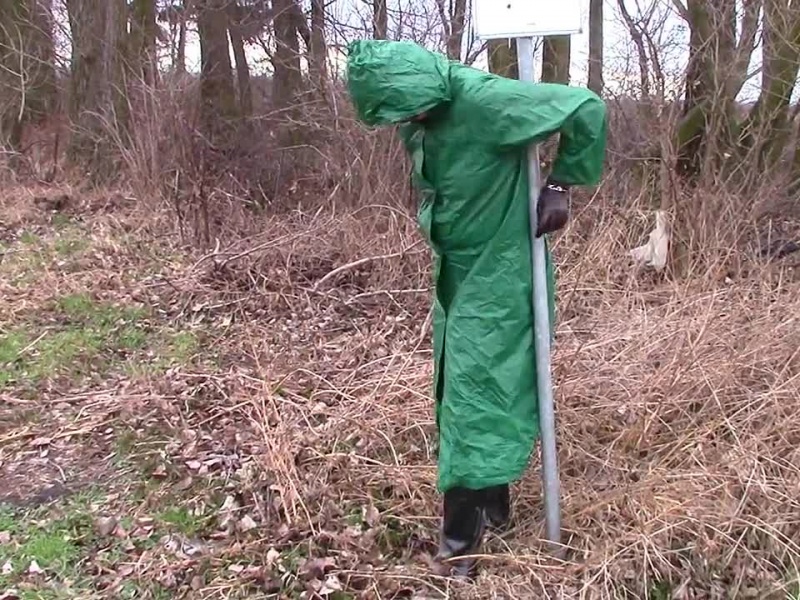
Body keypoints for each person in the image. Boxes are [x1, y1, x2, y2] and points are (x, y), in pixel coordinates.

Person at [345, 39, 608, 577]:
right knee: (462, 387)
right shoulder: (415, 108)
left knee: (474, 394)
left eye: (411, 110)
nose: (409, 122)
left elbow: (586, 106)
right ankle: (493, 504)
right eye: (401, 115)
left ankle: (459, 543)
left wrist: (560, 183)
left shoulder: (486, 100)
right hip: (456, 269)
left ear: (430, 89)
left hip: (501, 271)